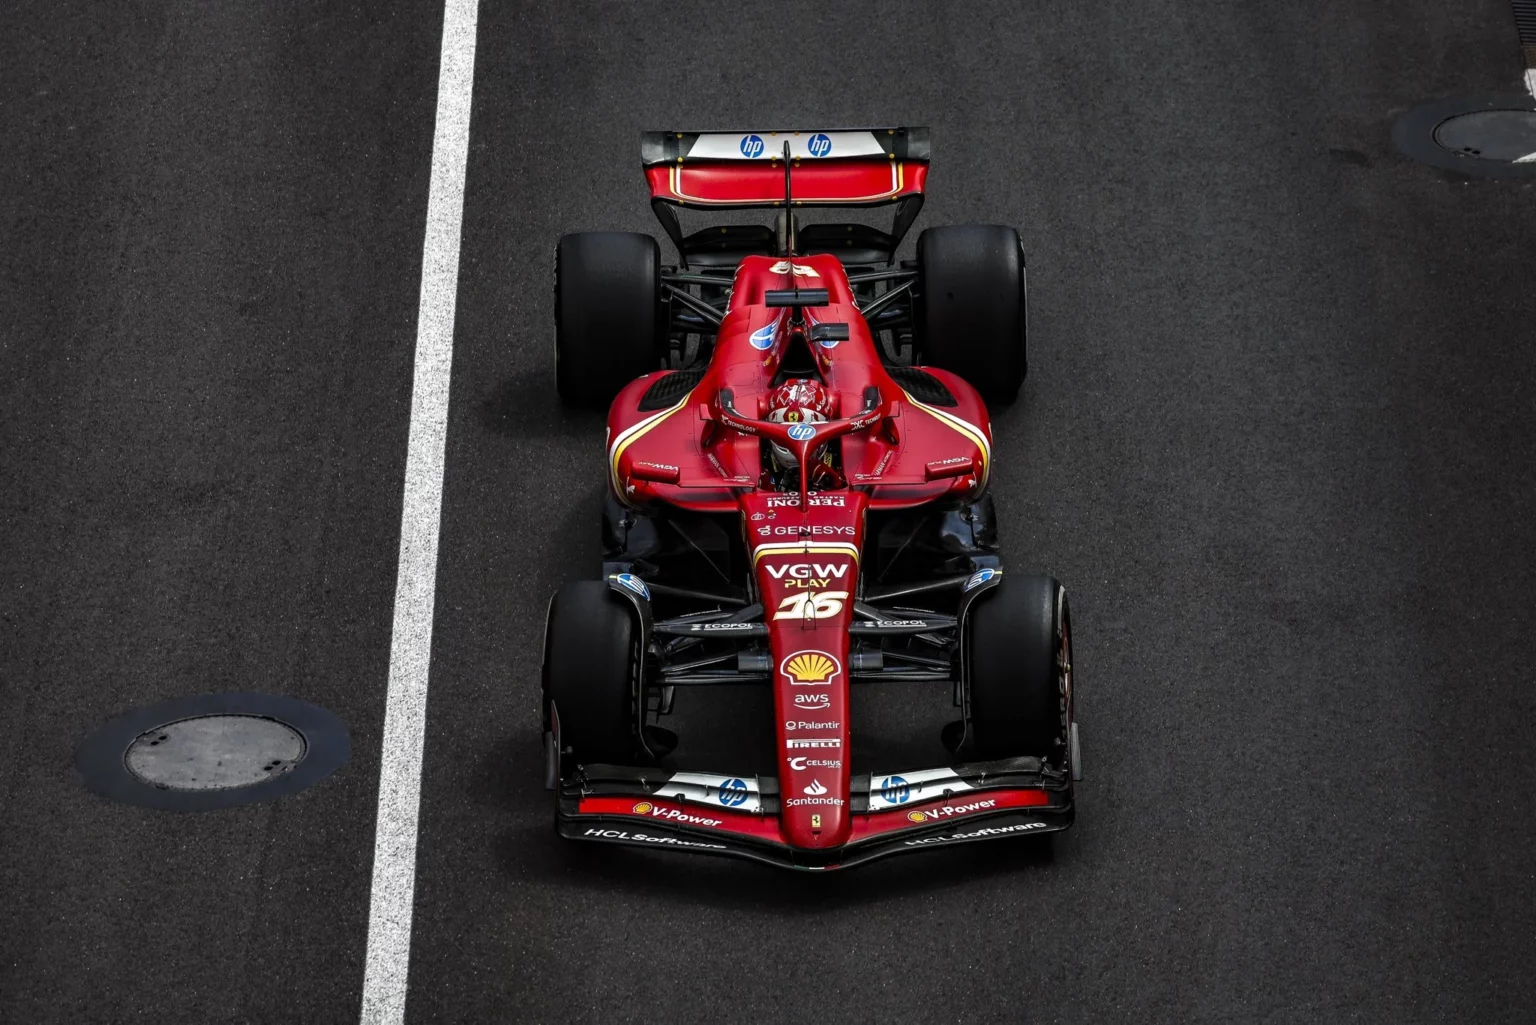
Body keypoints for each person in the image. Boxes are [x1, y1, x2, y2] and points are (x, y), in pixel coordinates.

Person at [762, 378, 845, 490]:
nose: (796, 439)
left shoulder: (838, 460)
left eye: (804, 431)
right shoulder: (762, 463)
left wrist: (834, 481)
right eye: (788, 429)